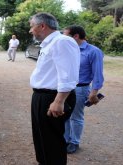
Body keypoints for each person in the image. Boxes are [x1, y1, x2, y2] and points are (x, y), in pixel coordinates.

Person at [29, 12, 80, 165]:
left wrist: (59, 101)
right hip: (42, 96)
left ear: (42, 26)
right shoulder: (49, 44)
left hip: (53, 97)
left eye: (32, 26)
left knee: (52, 140)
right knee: (42, 138)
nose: (30, 30)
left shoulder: (62, 42)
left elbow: (68, 75)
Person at [63, 25, 104, 154]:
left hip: (80, 89)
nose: (63, 39)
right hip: (65, 88)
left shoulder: (93, 51)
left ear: (76, 36)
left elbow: (98, 74)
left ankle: (74, 142)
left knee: (76, 117)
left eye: (66, 36)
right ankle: (65, 139)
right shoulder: (68, 49)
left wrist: (94, 93)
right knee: (65, 115)